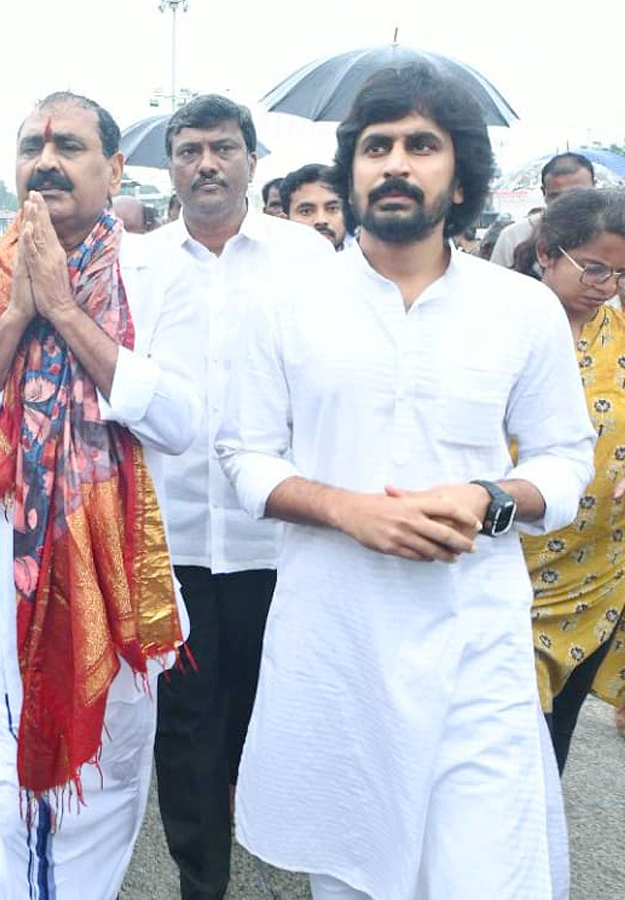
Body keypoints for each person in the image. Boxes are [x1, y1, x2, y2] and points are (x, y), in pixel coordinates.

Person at [218, 63, 594, 900]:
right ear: (352, 170)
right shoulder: (285, 305)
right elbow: (245, 457)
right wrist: (347, 510)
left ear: (459, 173)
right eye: (377, 145)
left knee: (485, 873)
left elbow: (566, 460)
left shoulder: (519, 308)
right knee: (355, 871)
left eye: (421, 145)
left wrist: (489, 498)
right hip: (336, 639)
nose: (396, 163)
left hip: (475, 641)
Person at [0, 90, 200, 900]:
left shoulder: (159, 270)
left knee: (106, 794)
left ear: (113, 170)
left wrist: (69, 315)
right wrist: (14, 316)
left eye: (69, 147)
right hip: (3, 586)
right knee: (12, 803)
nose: (45, 161)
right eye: (31, 147)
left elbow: (183, 420)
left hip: (118, 581)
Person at [147, 94, 333, 900]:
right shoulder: (136, 263)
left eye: (223, 148)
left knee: (272, 709)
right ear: (172, 166)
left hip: (279, 542)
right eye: (189, 151)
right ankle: (202, 878)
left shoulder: (310, 261)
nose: (207, 165)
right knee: (183, 724)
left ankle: (283, 840)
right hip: (171, 540)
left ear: (254, 159)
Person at [513, 187, 625, 773]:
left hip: (598, 574)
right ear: (547, 254)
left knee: (558, 727)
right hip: (510, 569)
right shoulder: (502, 327)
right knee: (504, 731)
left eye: (621, 272)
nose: (606, 285)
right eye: (595, 267)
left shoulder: (621, 333)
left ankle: (534, 852)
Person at [490, 153, 595, 268]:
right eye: (557, 197)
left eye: (577, 195)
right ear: (544, 193)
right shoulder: (514, 237)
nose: (568, 204)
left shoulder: (611, 233)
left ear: (594, 187)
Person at [281, 163, 348, 250]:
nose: (321, 220)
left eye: (332, 209)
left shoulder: (364, 262)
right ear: (286, 220)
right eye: (306, 211)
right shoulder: (268, 262)